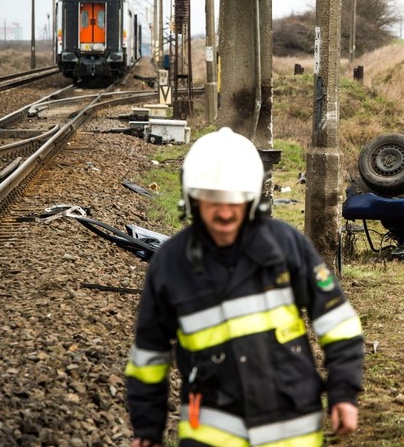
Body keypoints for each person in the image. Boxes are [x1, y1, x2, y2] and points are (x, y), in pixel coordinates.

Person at [125, 127, 365, 446]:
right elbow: (149, 355)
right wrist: (146, 429)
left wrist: (344, 393)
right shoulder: (170, 265)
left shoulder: (286, 246)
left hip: (293, 432)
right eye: (212, 199)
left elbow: (339, 325)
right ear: (192, 198)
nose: (224, 212)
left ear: (252, 197)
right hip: (210, 434)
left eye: (235, 199)